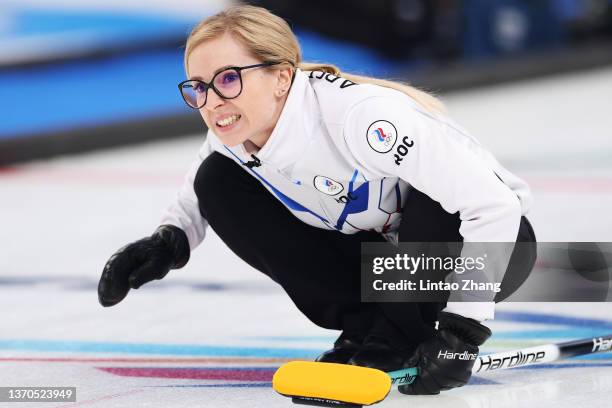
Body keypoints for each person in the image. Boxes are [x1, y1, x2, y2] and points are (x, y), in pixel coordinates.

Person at [98, 5, 536, 395]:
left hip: (495, 248)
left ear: (282, 76)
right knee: (218, 181)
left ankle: (399, 329)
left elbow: (492, 207)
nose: (212, 102)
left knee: (432, 195)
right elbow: (198, 187)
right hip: (385, 268)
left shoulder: (362, 120)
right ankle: (371, 327)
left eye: (228, 79)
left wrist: (464, 332)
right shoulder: (234, 128)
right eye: (199, 87)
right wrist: (169, 240)